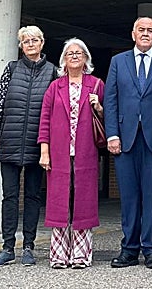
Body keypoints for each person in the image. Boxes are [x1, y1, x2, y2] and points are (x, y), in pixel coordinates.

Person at [106, 17, 152, 269]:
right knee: (129, 198)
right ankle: (129, 249)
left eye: (150, 31)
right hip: (124, 139)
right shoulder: (118, 61)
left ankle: (151, 250)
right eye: (141, 30)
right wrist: (112, 134)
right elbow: (111, 99)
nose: (145, 34)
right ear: (133, 33)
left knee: (151, 197)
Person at [0, 25, 57, 267]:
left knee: (33, 196)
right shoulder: (11, 69)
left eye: (34, 40)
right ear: (20, 45)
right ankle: (7, 247)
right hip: (9, 141)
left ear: (42, 43)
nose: (30, 44)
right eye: (25, 41)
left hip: (38, 145)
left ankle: (28, 246)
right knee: (10, 196)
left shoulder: (53, 72)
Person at [38, 38, 105, 268]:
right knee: (59, 201)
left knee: (83, 202)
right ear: (63, 61)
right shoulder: (54, 87)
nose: (75, 56)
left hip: (86, 152)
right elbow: (44, 119)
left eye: (79, 53)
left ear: (86, 58)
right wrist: (44, 151)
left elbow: (108, 120)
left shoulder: (96, 84)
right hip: (59, 152)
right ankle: (58, 254)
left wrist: (98, 107)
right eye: (70, 53)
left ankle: (81, 255)